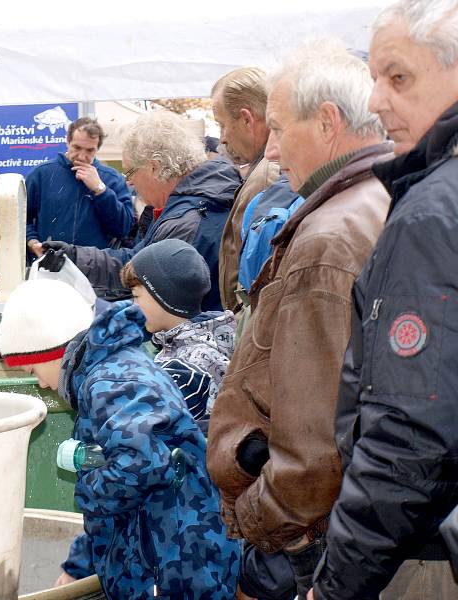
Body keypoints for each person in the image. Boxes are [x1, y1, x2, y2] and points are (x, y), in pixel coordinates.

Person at [205, 40, 393, 598]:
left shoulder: (330, 238)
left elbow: (317, 441)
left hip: (317, 537)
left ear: (329, 122)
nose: (273, 150)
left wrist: (259, 519)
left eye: (281, 129)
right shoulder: (377, 201)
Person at [309, 2, 458, 598]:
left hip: (420, 551)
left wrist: (338, 582)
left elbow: (411, 431)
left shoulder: (431, 214)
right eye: (374, 78)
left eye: (398, 77)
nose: (375, 100)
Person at [0, 278, 240, 598]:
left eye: (32, 371)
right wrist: (79, 565)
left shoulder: (111, 382)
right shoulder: (107, 374)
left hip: (174, 565)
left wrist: (88, 488)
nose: (41, 384)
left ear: (50, 351)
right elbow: (115, 502)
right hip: (159, 553)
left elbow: (143, 463)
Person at [44, 111, 240, 310]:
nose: (128, 181)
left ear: (155, 167)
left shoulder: (187, 221)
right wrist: (74, 256)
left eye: (130, 171)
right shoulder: (189, 207)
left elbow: (141, 279)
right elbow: (137, 261)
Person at [119, 239, 235, 435]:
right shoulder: (195, 337)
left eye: (136, 296)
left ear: (163, 297)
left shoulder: (194, 362)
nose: (133, 304)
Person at [212, 67, 281, 314]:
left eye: (222, 125)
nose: (222, 138)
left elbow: (250, 275)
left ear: (246, 119)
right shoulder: (266, 171)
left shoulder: (266, 176)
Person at [25, 117, 133, 255]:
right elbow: (21, 220)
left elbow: (123, 229)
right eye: (77, 148)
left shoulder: (112, 179)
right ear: (68, 142)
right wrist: (33, 242)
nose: (82, 156)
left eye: (89, 150)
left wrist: (101, 190)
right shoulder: (41, 174)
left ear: (97, 149)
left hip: (95, 267)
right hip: (50, 264)